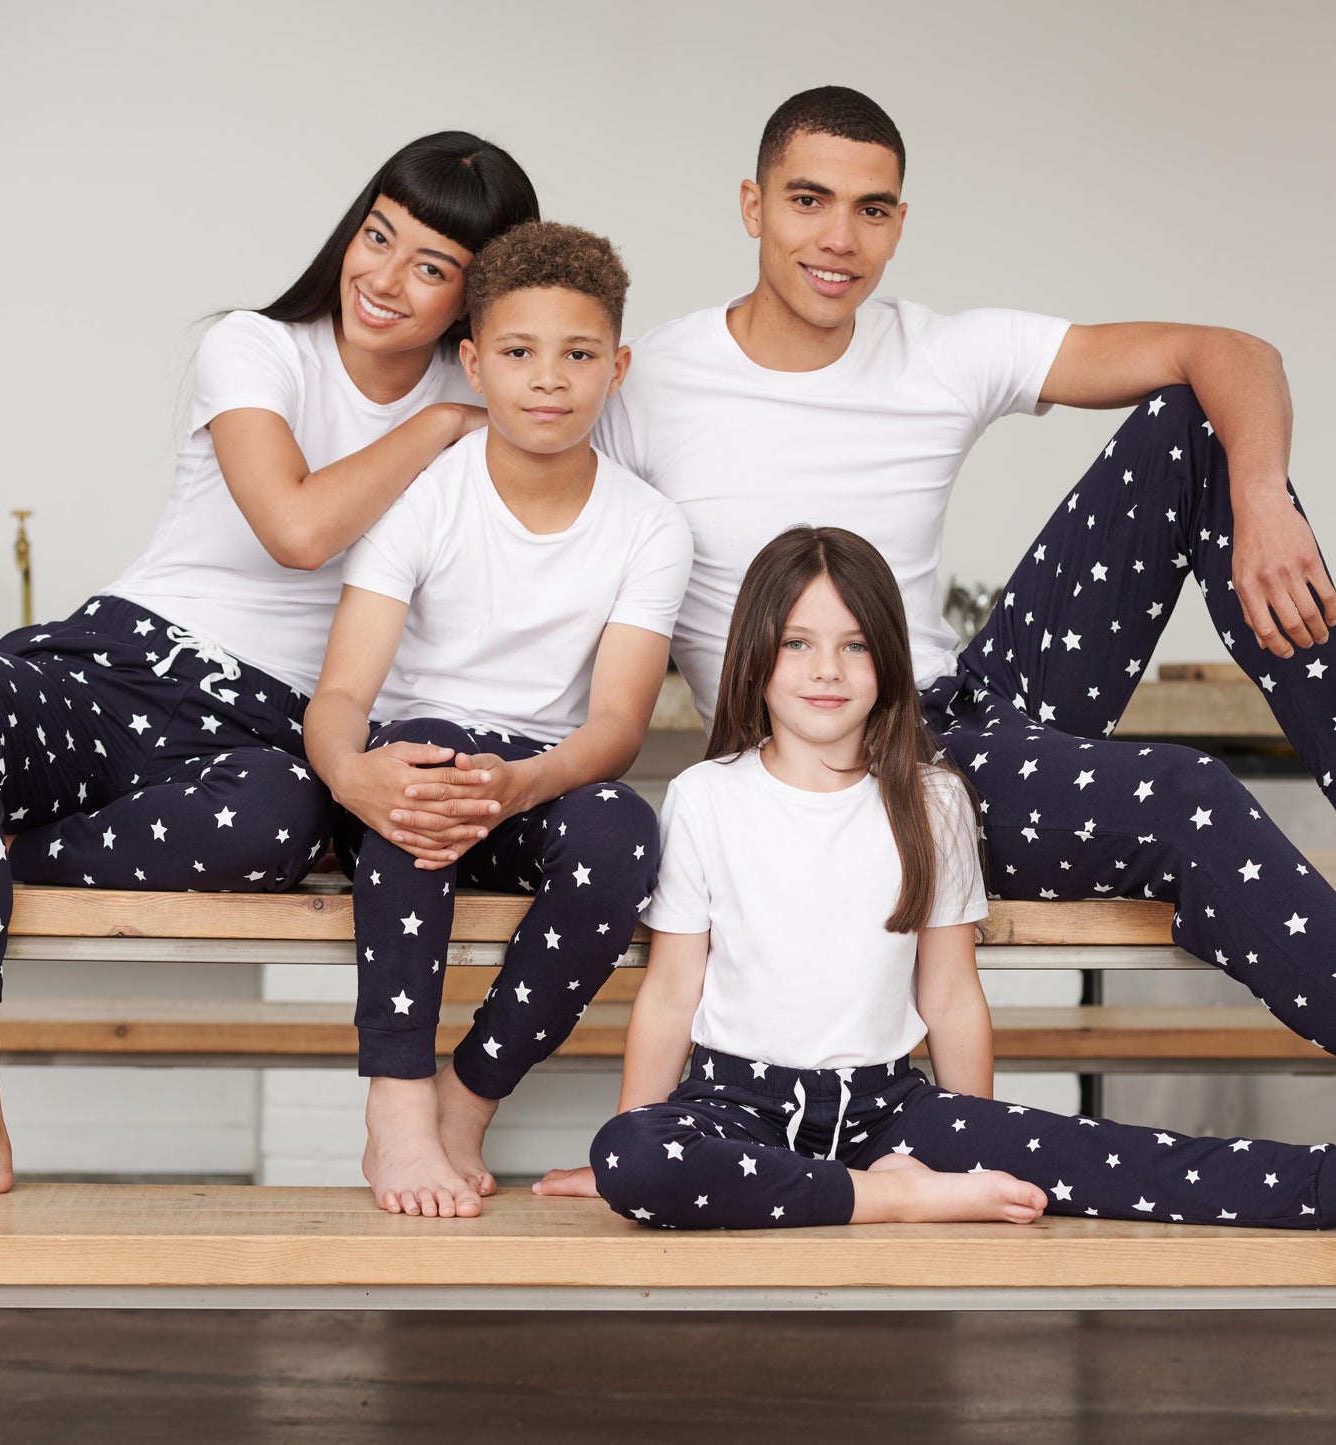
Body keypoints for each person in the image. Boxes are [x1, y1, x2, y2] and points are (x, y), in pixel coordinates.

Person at [589, 85, 1336, 1053]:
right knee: (1188, 790)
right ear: (752, 206)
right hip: (859, 764)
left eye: (870, 210)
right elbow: (527, 496)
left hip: (974, 706)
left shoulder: (937, 350)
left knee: (1192, 422)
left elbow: (1229, 351)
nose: (837, 238)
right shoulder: (646, 381)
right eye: (806, 200)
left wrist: (1262, 493)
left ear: (898, 224)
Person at [0, 131, 540, 1211]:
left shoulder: (495, 397)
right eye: (377, 236)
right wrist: (439, 421)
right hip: (123, 670)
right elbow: (293, 525)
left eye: (430, 266)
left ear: (476, 301)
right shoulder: (259, 347)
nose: (383, 277)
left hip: (266, 737)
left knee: (280, 823)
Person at [539, 527, 1336, 1230]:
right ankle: (887, 1197)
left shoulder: (933, 798)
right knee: (634, 1154)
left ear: (888, 660)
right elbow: (672, 992)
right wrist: (618, 1147)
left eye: (854, 645)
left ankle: (1318, 1185)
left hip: (892, 1110)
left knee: (1113, 1161)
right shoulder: (706, 797)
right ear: (754, 659)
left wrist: (974, 1144)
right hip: (736, 1108)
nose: (827, 670)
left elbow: (950, 994)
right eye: (797, 643)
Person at [305, 220, 694, 1219]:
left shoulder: (647, 524)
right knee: (410, 778)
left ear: (618, 366)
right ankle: (395, 1104)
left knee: (625, 830)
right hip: (421, 753)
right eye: (519, 352)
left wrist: (523, 782)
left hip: (538, 777)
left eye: (577, 355)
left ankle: (465, 1094)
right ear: (474, 362)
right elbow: (342, 693)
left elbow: (615, 720)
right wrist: (352, 773)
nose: (548, 380)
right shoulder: (424, 496)